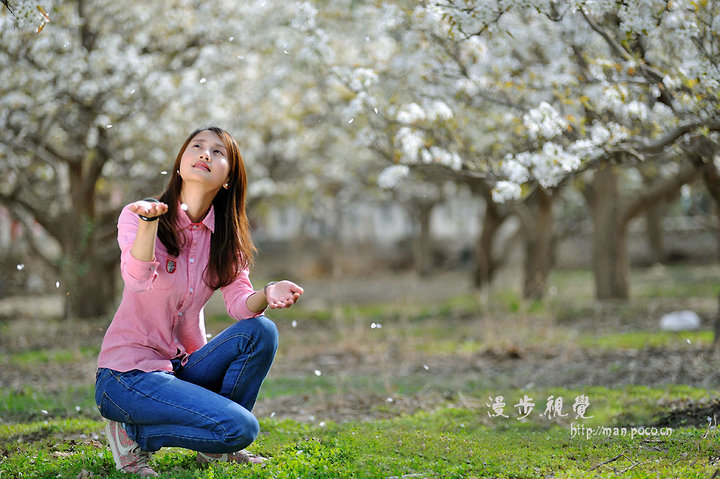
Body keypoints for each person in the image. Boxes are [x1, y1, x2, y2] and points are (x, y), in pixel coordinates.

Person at [94, 126, 303, 476]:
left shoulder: (224, 240)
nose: (206, 154)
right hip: (126, 376)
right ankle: (133, 433)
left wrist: (266, 293)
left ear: (227, 179)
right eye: (197, 147)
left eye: (218, 152)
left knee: (261, 331)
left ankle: (217, 447)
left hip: (180, 369)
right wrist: (148, 225)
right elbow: (136, 278)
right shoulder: (140, 215)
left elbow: (239, 305)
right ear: (180, 164)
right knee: (242, 429)